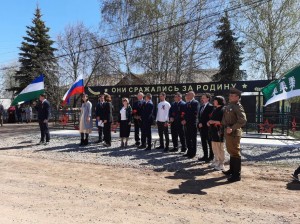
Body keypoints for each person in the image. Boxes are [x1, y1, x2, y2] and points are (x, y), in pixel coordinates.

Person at [222, 88, 247, 182]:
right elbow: (225, 118)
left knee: (235, 152)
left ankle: (237, 175)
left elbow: (243, 120)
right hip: (228, 131)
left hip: (234, 133)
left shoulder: (237, 106)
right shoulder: (230, 105)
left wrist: (232, 127)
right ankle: (232, 170)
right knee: (231, 151)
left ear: (237, 97)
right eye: (230, 95)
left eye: (232, 95)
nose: (230, 96)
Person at [207, 96, 226, 170]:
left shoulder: (224, 109)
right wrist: (209, 122)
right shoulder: (215, 109)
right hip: (213, 131)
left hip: (220, 131)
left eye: (215, 100)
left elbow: (224, 122)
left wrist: (214, 122)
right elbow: (212, 118)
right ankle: (216, 161)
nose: (213, 102)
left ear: (219, 101)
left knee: (220, 148)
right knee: (214, 147)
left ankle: (221, 164)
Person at [181, 91, 200, 158]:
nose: (187, 96)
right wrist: (183, 119)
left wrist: (186, 120)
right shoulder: (186, 103)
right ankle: (189, 152)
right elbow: (184, 113)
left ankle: (193, 153)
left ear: (192, 95)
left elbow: (194, 114)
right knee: (187, 138)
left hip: (192, 123)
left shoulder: (195, 102)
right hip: (186, 123)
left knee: (193, 138)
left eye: (188, 94)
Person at [198, 93, 214, 162]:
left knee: (209, 142)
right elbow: (199, 117)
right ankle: (205, 156)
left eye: (204, 97)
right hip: (201, 127)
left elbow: (210, 117)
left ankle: (211, 157)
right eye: (202, 98)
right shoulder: (201, 106)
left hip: (208, 128)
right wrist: (199, 123)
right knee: (203, 142)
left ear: (208, 98)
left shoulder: (211, 107)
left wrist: (203, 124)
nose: (202, 99)